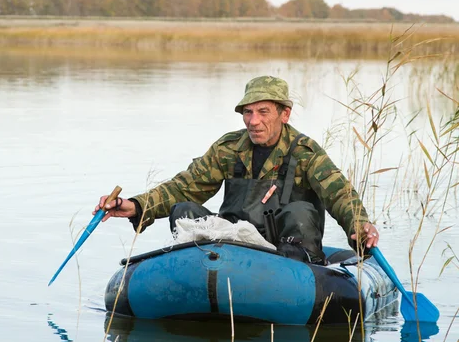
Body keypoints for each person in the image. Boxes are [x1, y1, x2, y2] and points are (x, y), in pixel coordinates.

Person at [94, 75, 379, 264]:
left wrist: (359, 226)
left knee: (301, 211)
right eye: (247, 112)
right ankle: (199, 275)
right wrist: (135, 205)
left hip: (284, 255)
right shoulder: (228, 148)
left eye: (263, 112)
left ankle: (291, 278)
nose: (253, 121)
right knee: (183, 210)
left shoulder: (305, 152)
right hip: (232, 247)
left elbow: (340, 195)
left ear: (285, 114)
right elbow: (185, 185)